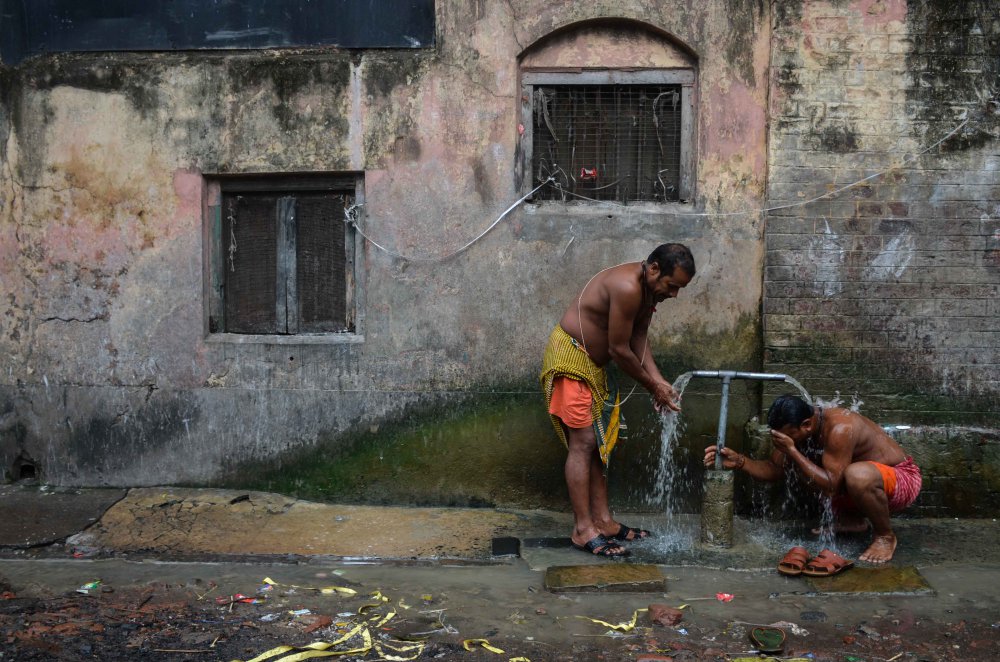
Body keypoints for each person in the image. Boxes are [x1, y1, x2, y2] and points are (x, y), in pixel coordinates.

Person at [540, 243, 695, 557]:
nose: (674, 294)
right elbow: (619, 350)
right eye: (672, 286)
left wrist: (660, 380)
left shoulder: (648, 293)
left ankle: (604, 522)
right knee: (582, 443)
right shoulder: (627, 287)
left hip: (591, 367)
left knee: (597, 444)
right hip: (572, 360)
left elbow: (638, 338)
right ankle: (583, 530)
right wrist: (653, 388)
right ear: (653, 269)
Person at [703, 394, 922, 563]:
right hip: (856, 490)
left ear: (806, 424)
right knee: (805, 466)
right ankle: (852, 520)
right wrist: (740, 461)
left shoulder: (839, 428)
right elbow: (774, 469)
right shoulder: (797, 431)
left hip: (901, 481)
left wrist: (793, 451)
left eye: (788, 436)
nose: (783, 441)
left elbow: (831, 488)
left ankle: (885, 536)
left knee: (855, 474)